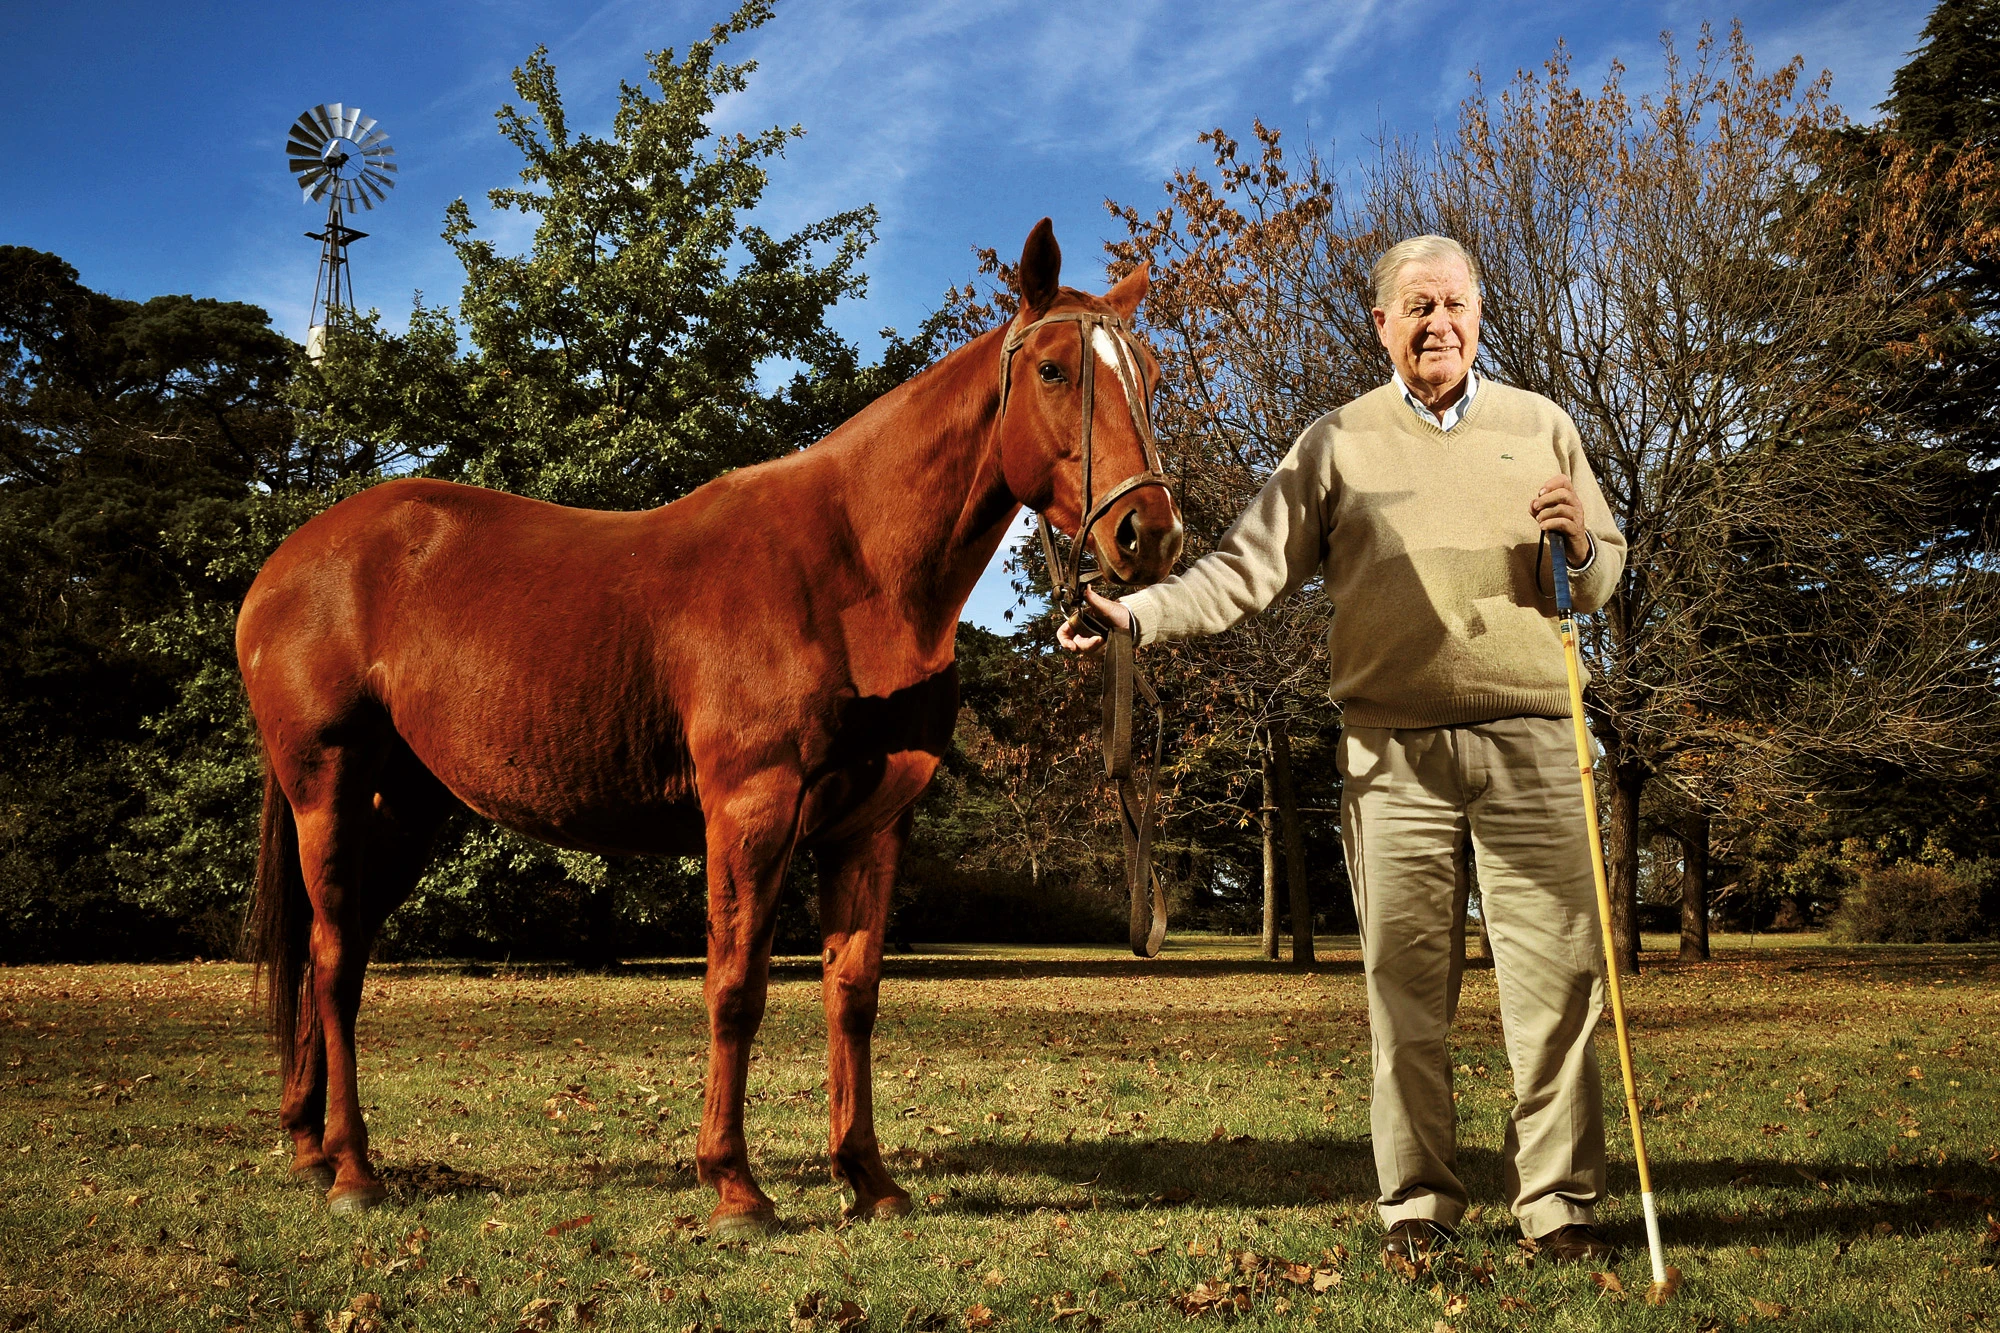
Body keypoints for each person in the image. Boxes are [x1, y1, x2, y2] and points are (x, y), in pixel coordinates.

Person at [1060, 235, 1628, 1268]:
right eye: (1413, 306)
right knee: (1404, 995)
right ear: (1379, 324)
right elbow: (1241, 570)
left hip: (1536, 743)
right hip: (1391, 756)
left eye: (1452, 302)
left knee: (1556, 992)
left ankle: (1558, 1209)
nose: (1435, 323)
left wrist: (1581, 545)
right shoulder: (1335, 443)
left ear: (1479, 310)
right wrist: (1135, 615)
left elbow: (1594, 581)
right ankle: (1416, 1205)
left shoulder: (1540, 426)